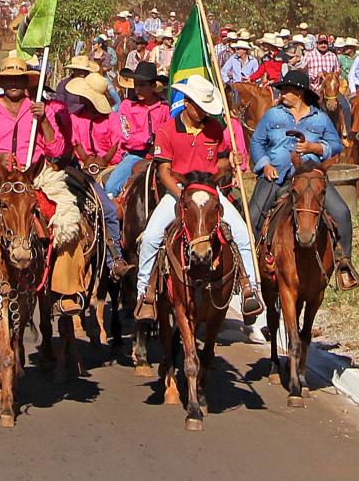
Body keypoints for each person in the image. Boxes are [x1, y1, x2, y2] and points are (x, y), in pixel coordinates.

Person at [133, 75, 264, 322]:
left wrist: (231, 162)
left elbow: (221, 162)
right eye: (200, 107)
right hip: (180, 193)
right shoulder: (167, 130)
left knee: (243, 234)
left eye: (207, 108)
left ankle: (250, 289)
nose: (204, 112)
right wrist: (182, 196)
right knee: (150, 237)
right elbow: (163, 172)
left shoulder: (215, 128)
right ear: (188, 103)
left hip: (211, 193)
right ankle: (145, 294)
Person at [246, 70, 359, 289]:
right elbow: (256, 143)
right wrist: (264, 165)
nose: (281, 94)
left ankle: (343, 264)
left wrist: (314, 147)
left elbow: (336, 145)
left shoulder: (320, 118)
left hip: (309, 178)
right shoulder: (273, 115)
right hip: (277, 175)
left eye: (286, 90)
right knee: (252, 215)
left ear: (299, 92)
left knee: (342, 213)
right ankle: (250, 271)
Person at [46, 71, 132, 279]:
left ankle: (114, 258)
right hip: (80, 166)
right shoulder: (74, 117)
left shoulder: (112, 118)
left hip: (109, 165)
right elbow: (73, 142)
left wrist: (103, 161)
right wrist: (86, 160)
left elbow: (117, 143)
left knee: (110, 208)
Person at [107, 62, 166, 195]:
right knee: (111, 187)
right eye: (135, 85)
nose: (137, 90)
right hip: (135, 155)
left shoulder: (164, 108)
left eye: (142, 85)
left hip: (161, 156)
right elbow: (126, 135)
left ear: (153, 86)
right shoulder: (126, 106)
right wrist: (149, 140)